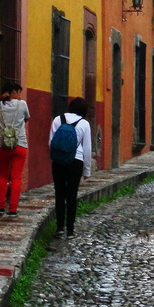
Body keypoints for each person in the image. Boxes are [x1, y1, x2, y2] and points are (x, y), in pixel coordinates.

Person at [49, 96, 94, 239]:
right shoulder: (84, 124)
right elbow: (87, 149)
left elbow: (51, 143)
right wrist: (87, 170)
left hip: (59, 161)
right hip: (76, 161)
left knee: (59, 193)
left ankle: (59, 227)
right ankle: (70, 230)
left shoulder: (58, 119)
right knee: (72, 195)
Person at [0, 81, 30, 216]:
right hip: (20, 145)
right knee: (16, 178)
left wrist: (0, 98)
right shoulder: (22, 105)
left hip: (2, 145)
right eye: (17, 92)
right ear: (12, 93)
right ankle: (12, 209)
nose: (19, 95)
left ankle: (0, 207)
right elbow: (27, 118)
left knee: (2, 176)